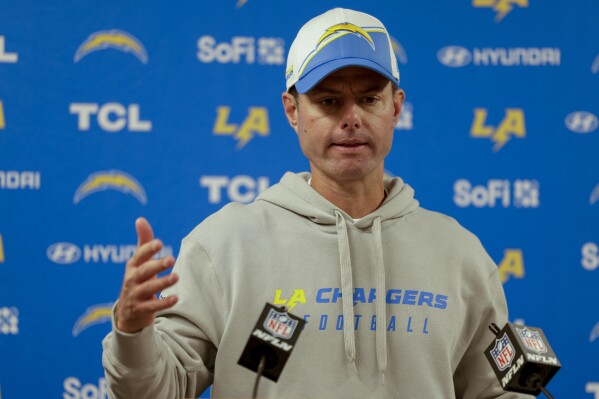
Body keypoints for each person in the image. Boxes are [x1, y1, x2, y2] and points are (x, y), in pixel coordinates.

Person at [102, 8, 533, 399]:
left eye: (369, 99)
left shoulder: (459, 253)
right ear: (292, 110)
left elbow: (500, 391)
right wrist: (132, 333)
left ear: (396, 108)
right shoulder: (224, 245)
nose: (351, 117)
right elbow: (159, 389)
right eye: (328, 101)